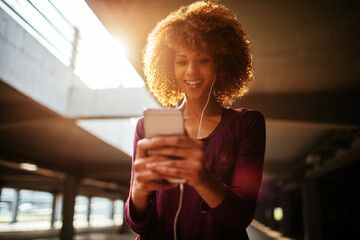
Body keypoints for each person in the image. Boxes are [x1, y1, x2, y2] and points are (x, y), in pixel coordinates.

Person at [124, 1, 266, 239]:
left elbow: (241, 216)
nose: (191, 71)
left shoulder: (246, 124)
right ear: (169, 65)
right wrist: (138, 190)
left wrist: (198, 176)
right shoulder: (148, 127)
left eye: (203, 60)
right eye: (181, 61)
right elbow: (138, 225)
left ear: (221, 62)